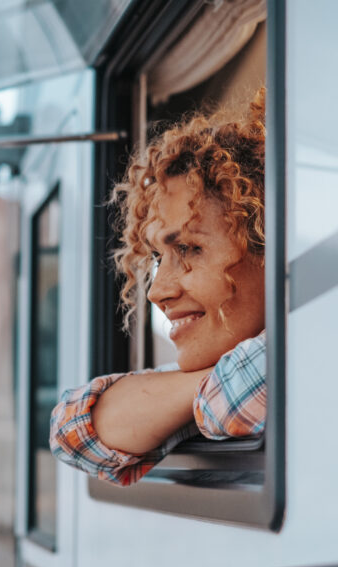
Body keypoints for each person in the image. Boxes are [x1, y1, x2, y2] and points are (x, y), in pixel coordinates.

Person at [50, 88, 268, 486]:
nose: (156, 292)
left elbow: (236, 404)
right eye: (156, 258)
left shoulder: (320, 338)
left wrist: (182, 401)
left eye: (188, 249)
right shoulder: (223, 368)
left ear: (270, 247)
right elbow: (71, 430)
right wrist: (200, 388)